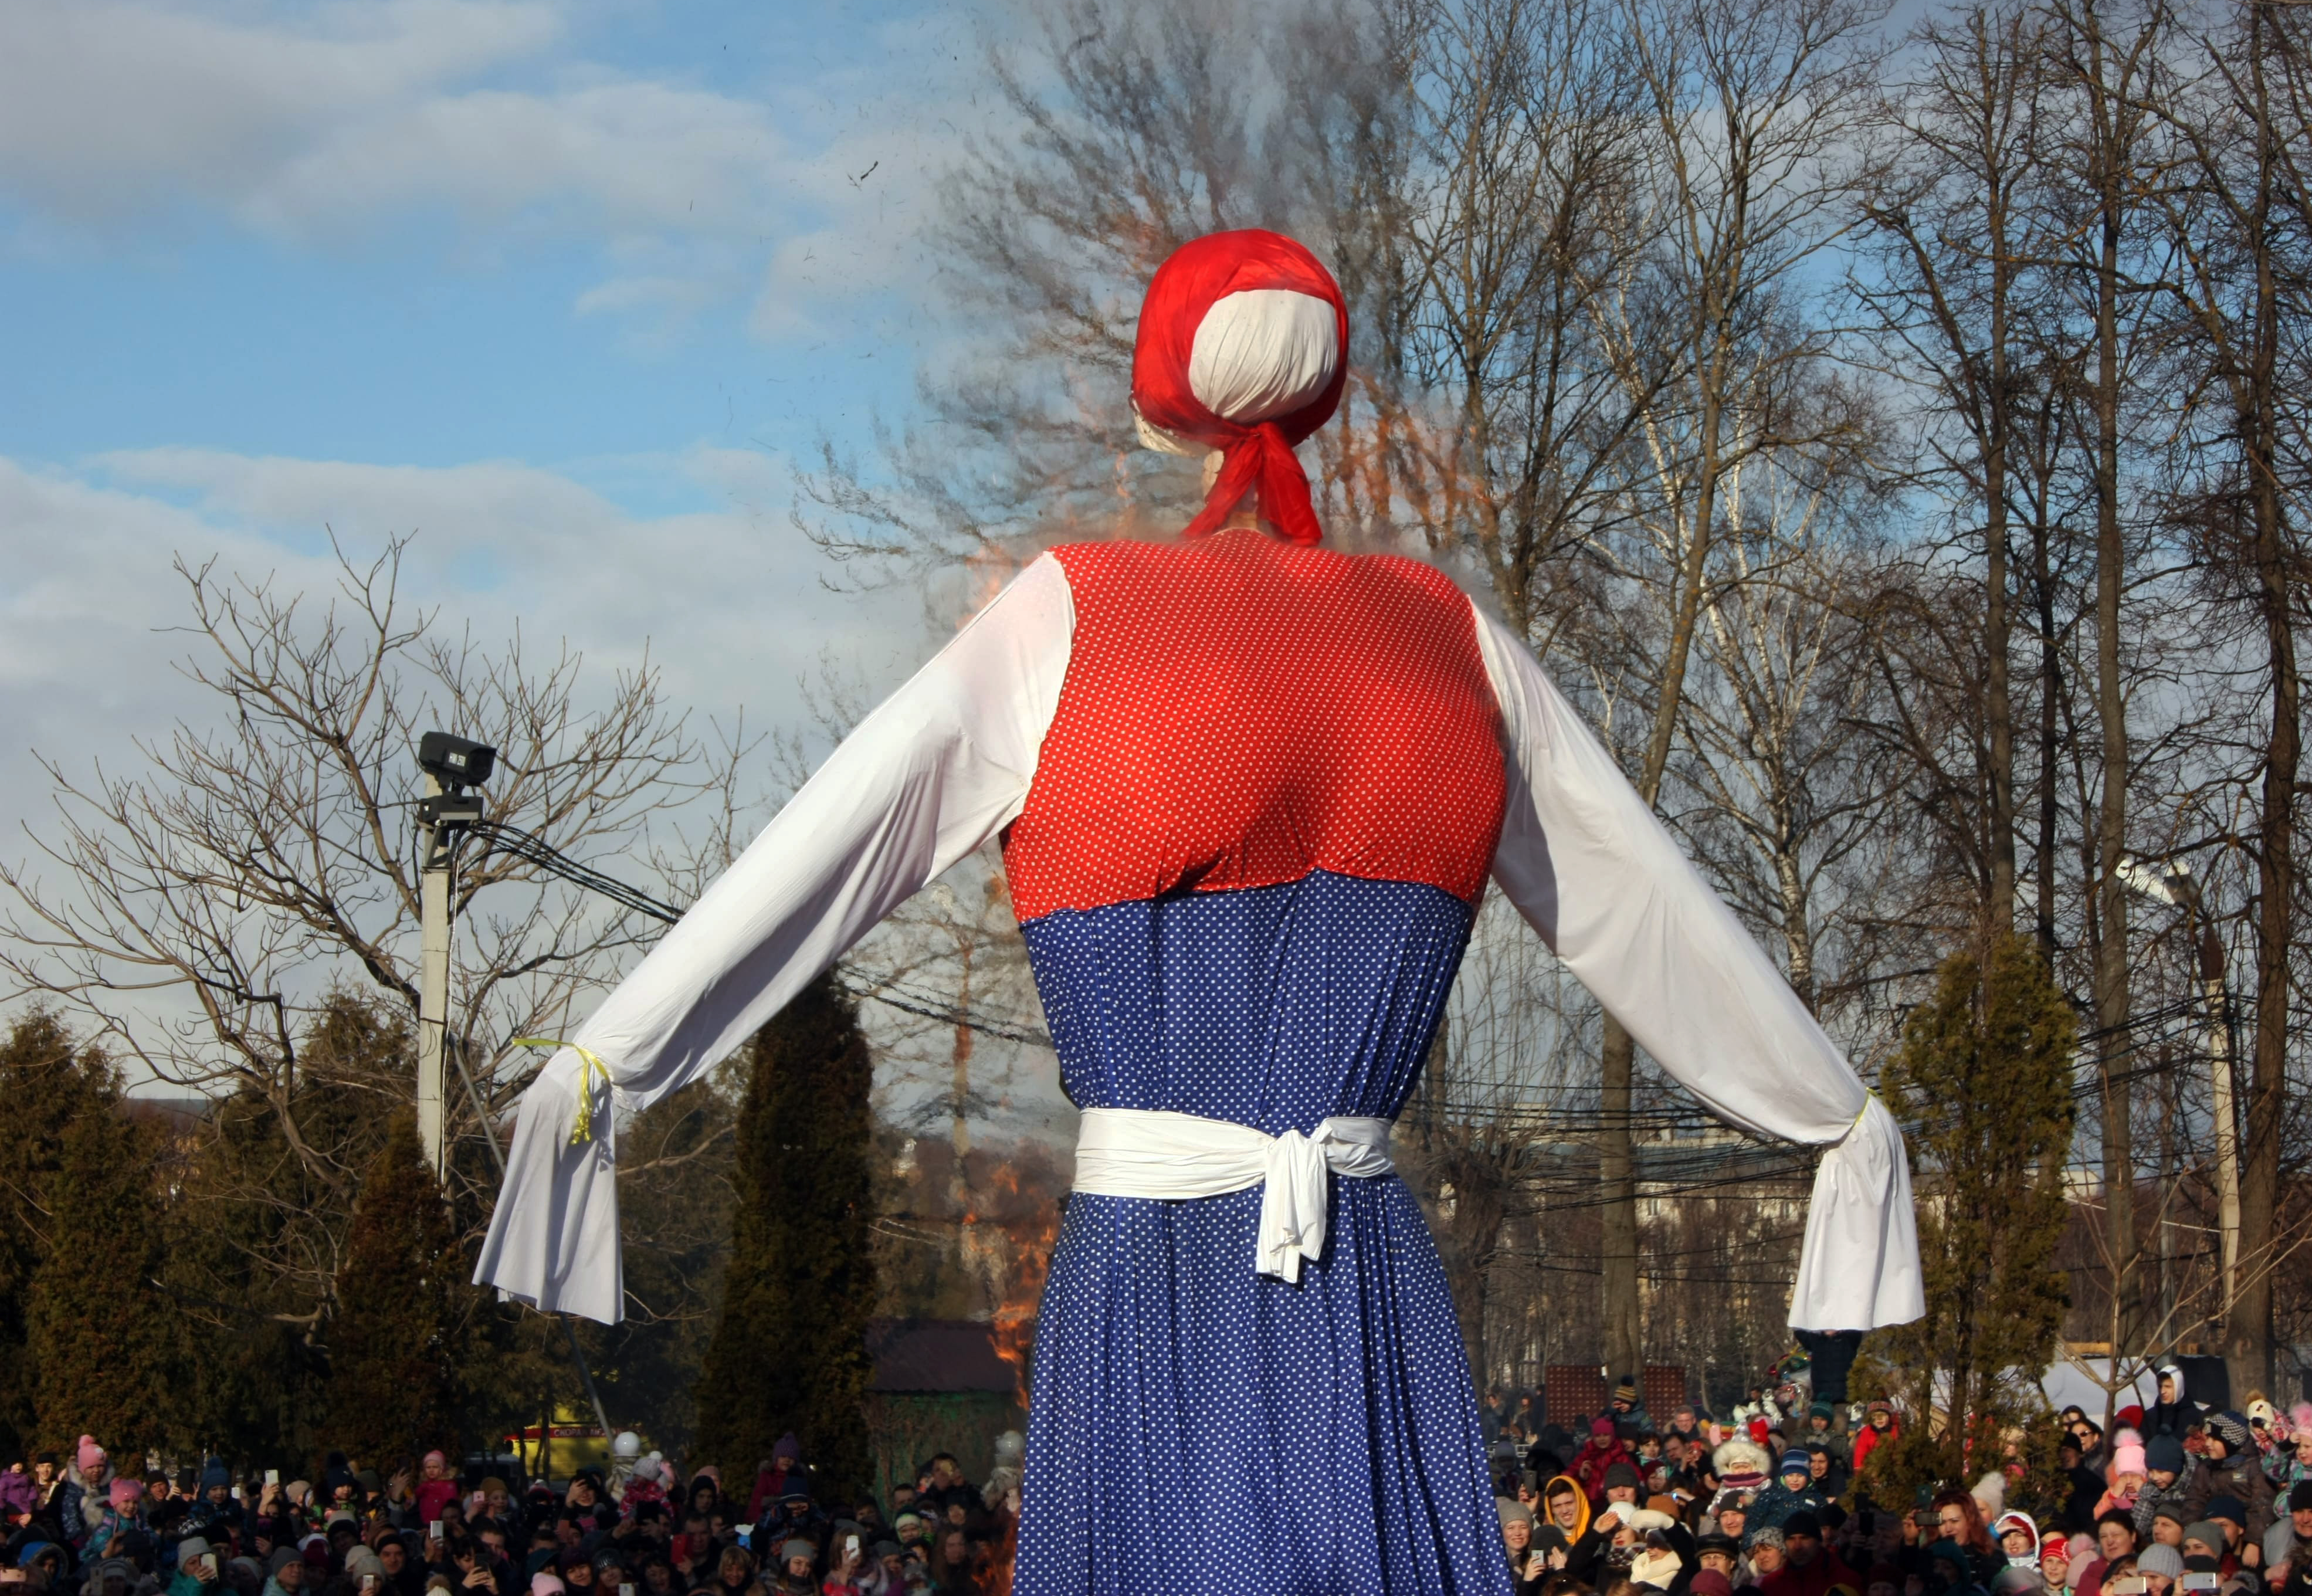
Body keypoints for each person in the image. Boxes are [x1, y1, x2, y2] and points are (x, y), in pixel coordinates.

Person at [472, 228, 1923, 1596]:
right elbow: (1644, 903)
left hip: (1157, 1279)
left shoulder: (1072, 612)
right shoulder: (1447, 634)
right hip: (1363, 1273)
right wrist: (1833, 1114)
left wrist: (616, 1054)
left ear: (1173, 403)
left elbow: (828, 842)